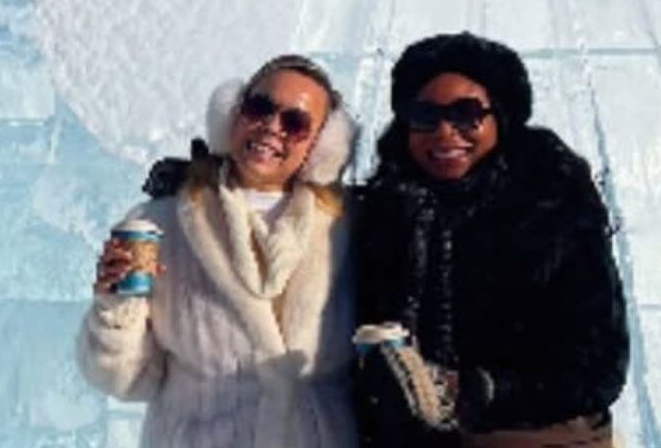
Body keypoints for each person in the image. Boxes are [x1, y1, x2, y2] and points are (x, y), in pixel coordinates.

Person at [354, 32, 627, 447]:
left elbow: (598, 367)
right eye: (425, 115)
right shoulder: (388, 208)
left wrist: (473, 391)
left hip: (540, 438)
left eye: (466, 114)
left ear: (500, 115)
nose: (445, 132)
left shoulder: (552, 204)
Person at [76, 54, 360, 448]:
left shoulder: (346, 230)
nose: (271, 127)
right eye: (260, 107)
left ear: (321, 144)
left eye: (295, 123)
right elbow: (122, 379)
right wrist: (113, 308)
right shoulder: (162, 222)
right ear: (234, 112)